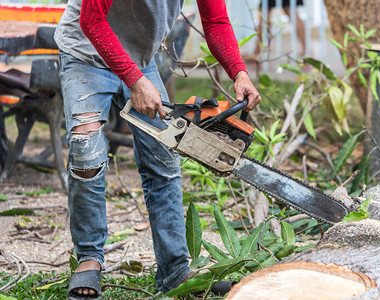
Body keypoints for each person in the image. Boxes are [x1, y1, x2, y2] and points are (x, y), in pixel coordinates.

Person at [54, 0, 261, 298]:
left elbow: (215, 22)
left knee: (163, 156)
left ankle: (174, 271)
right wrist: (134, 80)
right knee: (86, 151)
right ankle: (88, 259)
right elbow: (92, 20)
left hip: (139, 57)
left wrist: (238, 71)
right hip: (86, 52)